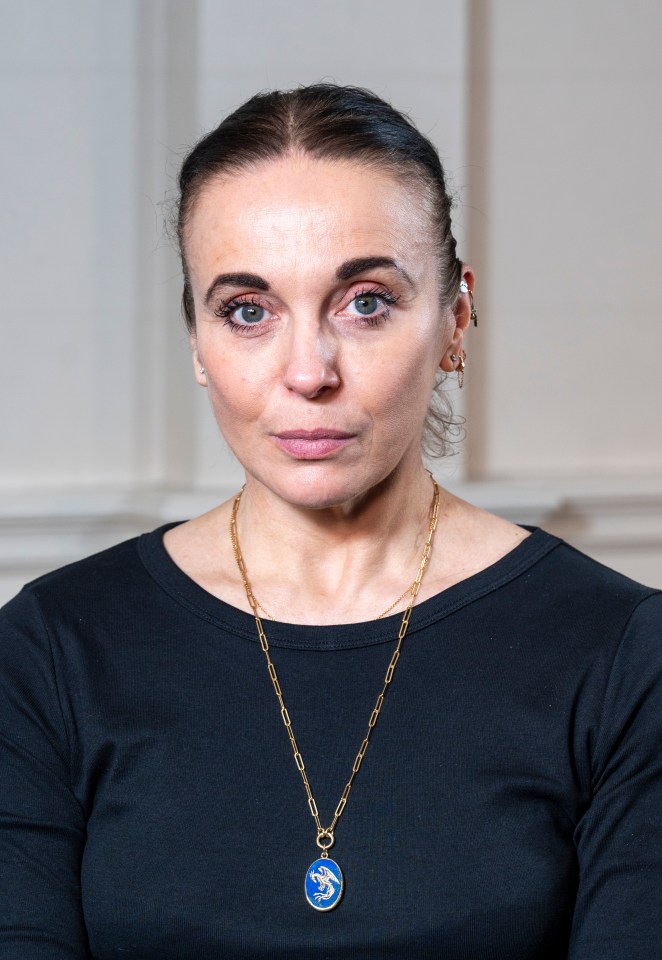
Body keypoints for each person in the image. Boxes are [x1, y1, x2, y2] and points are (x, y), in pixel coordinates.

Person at [1, 83, 660, 960]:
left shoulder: (622, 653)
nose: (308, 372)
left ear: (456, 316)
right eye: (248, 311)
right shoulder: (51, 651)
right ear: (197, 340)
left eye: (366, 302)